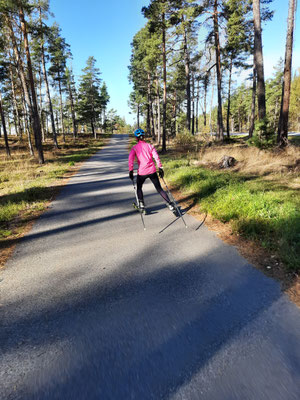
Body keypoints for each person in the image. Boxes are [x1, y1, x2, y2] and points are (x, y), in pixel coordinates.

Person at [128, 128, 176, 214]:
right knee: (159, 189)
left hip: (142, 172)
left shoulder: (134, 148)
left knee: (139, 188)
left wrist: (131, 171)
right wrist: (160, 168)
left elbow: (130, 160)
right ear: (144, 137)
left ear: (136, 138)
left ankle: (142, 205)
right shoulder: (150, 146)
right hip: (152, 171)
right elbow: (156, 157)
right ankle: (170, 204)